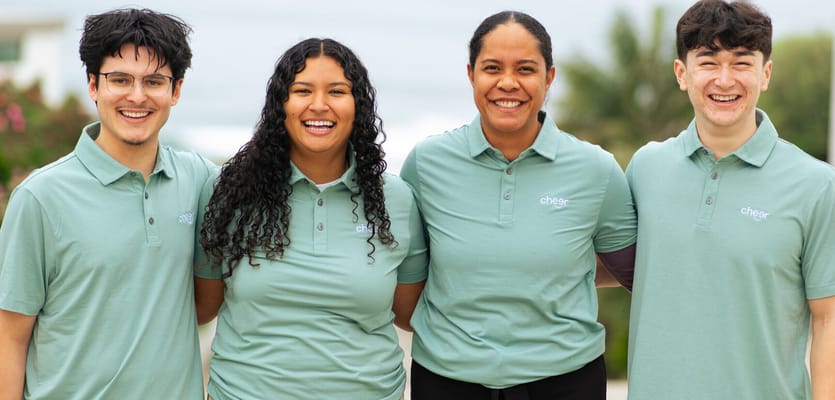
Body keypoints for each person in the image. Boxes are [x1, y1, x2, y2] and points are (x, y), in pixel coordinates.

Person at [400, 10, 637, 400]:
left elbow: (632, 272)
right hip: (446, 381)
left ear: (549, 78)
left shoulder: (595, 170)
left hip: (567, 381)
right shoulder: (426, 163)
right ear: (471, 74)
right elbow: (408, 279)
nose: (507, 83)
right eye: (492, 68)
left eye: (525, 69)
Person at [194, 37, 428, 400]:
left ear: (358, 106)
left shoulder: (396, 199)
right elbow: (202, 306)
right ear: (280, 105)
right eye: (302, 90)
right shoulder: (228, 192)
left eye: (337, 91)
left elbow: (408, 315)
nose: (319, 105)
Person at [0, 8, 215, 400]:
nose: (137, 96)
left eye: (154, 81)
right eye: (120, 80)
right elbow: (10, 338)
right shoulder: (40, 197)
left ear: (176, 90)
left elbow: (203, 305)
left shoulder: (199, 179)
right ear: (93, 85)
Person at [625, 1, 835, 399]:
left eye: (741, 63)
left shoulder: (818, 185)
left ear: (765, 73)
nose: (725, 80)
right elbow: (610, 262)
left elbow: (829, 321)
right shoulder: (645, 168)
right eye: (708, 62)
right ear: (681, 74)